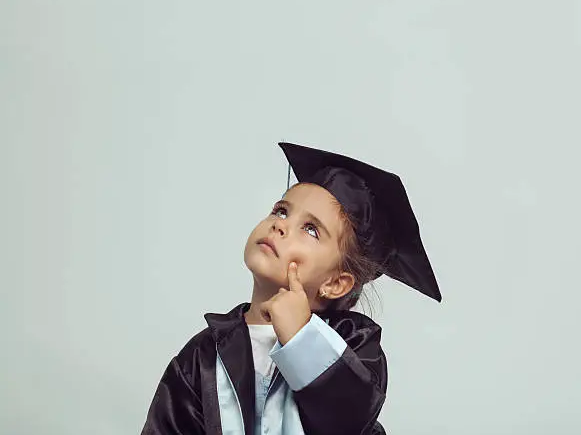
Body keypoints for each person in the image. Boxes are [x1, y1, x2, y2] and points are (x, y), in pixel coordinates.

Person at [141, 142, 442, 435]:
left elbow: (349, 420)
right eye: (282, 211)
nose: (280, 225)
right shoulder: (205, 355)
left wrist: (300, 338)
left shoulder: (354, 344)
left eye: (311, 229)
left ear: (336, 283)